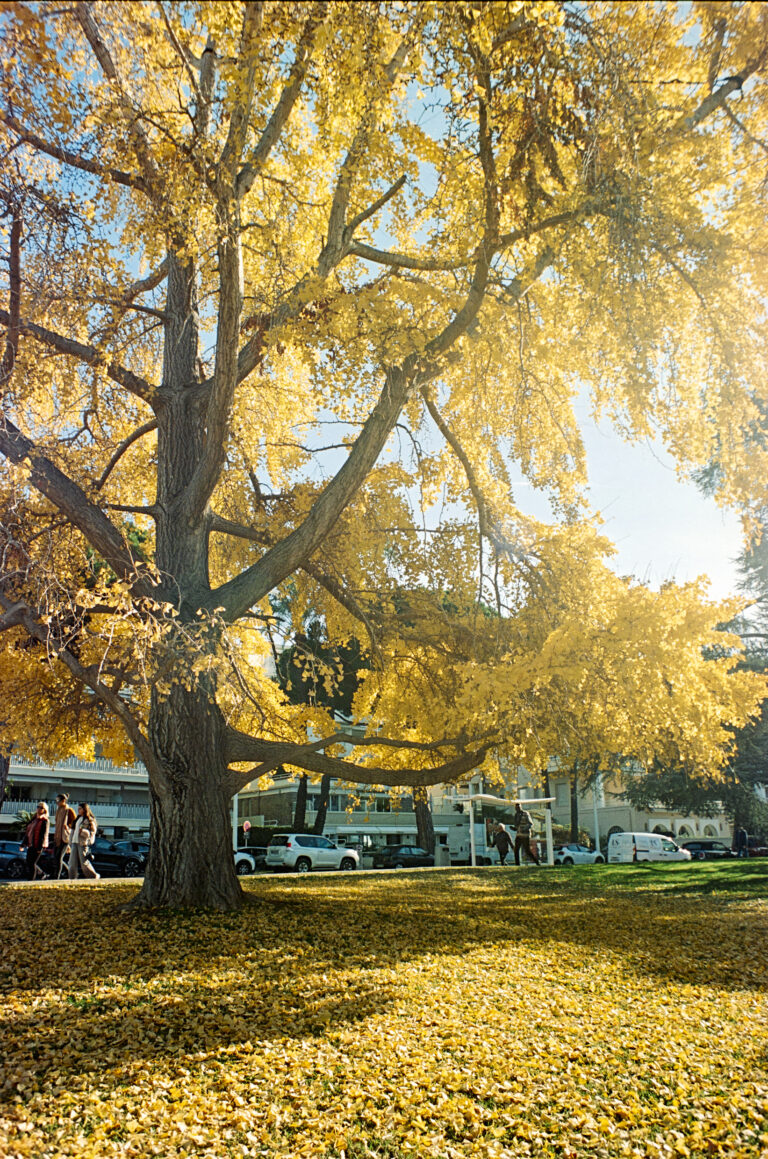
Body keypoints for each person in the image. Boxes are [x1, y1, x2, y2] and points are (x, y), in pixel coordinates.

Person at [67, 803, 100, 880]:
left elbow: (92, 833)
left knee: (84, 864)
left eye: (80, 809)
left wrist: (84, 833)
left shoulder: (89, 820)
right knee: (72, 863)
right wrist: (70, 841)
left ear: (85, 809)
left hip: (83, 843)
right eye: (78, 809)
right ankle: (72, 878)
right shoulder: (77, 819)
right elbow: (72, 831)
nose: (78, 810)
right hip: (74, 842)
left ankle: (94, 876)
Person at [20, 801, 50, 880]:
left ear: (44, 810)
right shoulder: (34, 819)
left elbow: (43, 834)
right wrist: (23, 844)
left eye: (41, 807)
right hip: (31, 843)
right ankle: (42, 874)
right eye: (38, 807)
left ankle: (31, 880)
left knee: (32, 862)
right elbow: (28, 833)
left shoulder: (44, 820)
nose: (39, 809)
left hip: (38, 844)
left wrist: (39, 848)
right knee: (28, 862)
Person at [53, 793, 76, 879]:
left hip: (65, 837)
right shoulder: (58, 810)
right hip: (57, 837)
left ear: (64, 801)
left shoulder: (69, 810)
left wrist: (68, 827)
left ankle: (56, 877)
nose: (57, 803)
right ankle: (70, 873)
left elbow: (75, 823)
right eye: (56, 801)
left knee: (59, 857)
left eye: (58, 801)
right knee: (55, 858)